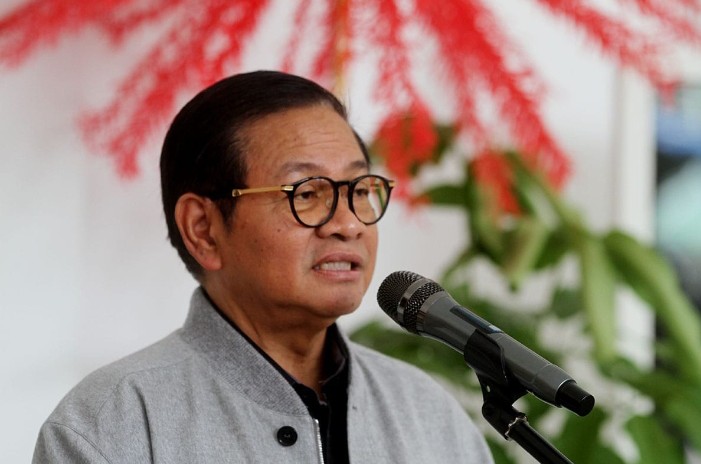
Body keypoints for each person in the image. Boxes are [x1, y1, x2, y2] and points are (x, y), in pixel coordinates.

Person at [32, 70, 493, 463]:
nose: (349, 224)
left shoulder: (428, 414)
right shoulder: (110, 426)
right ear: (204, 229)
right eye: (306, 193)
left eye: (358, 190)